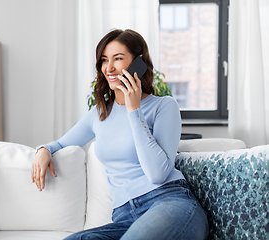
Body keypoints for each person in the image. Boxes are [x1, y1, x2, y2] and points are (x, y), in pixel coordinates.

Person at [32, 29, 209, 240]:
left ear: (138, 63)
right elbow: (60, 144)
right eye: (105, 60)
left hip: (169, 203)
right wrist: (43, 150)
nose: (109, 68)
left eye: (118, 58)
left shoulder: (163, 106)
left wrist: (134, 111)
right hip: (124, 217)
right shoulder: (99, 114)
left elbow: (157, 174)